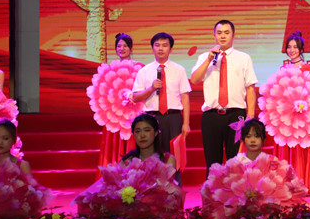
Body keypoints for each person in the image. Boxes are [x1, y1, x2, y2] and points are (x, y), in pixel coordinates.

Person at [191, 20, 257, 175]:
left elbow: (250, 88)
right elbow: (194, 79)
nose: (222, 36)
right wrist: (208, 60)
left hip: (236, 115)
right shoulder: (205, 57)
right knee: (212, 161)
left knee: (236, 161)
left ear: (233, 35)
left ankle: (236, 189)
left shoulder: (244, 58)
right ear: (214, 35)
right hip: (211, 116)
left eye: (226, 33)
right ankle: (213, 189)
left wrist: (250, 116)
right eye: (219, 33)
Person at [271, 31, 310, 194]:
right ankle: (285, 184)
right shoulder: (283, 68)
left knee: (301, 149)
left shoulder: (306, 68)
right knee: (285, 147)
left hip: (301, 115)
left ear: (301, 50)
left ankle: (302, 183)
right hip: (286, 116)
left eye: (295, 47)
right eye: (289, 47)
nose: (292, 50)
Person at [131, 32, 191, 161]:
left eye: (164, 45)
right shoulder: (144, 71)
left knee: (174, 156)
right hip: (151, 118)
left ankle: (175, 175)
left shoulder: (179, 70)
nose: (160, 48)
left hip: (173, 117)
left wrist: (186, 123)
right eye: (157, 45)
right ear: (152, 48)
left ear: (171, 49)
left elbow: (185, 97)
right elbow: (135, 97)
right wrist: (151, 88)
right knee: (152, 155)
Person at [96, 33, 141, 172]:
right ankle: (114, 173)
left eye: (125, 46)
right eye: (119, 46)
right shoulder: (109, 69)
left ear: (131, 48)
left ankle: (133, 173)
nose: (122, 49)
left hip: (133, 113)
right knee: (114, 143)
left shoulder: (139, 67)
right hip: (115, 115)